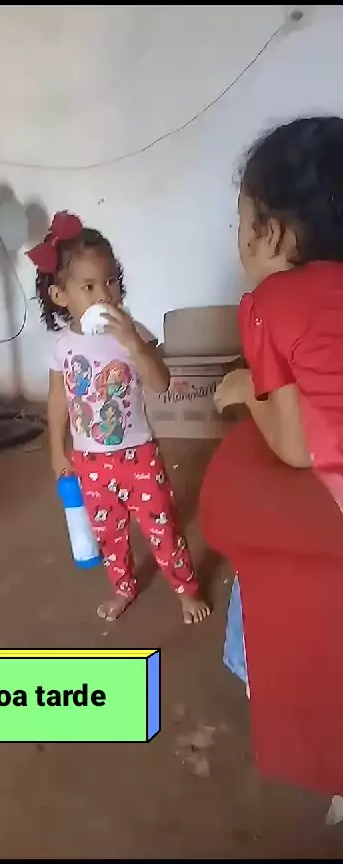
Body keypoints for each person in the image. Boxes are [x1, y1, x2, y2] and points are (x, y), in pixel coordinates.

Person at [200, 117, 343, 802]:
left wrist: (241, 391)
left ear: (274, 235)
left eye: (241, 222)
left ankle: (263, 672)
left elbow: (291, 443)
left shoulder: (267, 303)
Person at [28, 211, 210, 624]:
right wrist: (57, 451)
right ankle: (123, 587)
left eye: (110, 281)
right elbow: (58, 400)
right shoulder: (62, 348)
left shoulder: (135, 333)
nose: (104, 295)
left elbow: (160, 382)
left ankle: (186, 590)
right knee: (108, 534)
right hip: (89, 462)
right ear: (60, 295)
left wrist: (133, 342)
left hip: (138, 455)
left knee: (162, 526)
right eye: (89, 286)